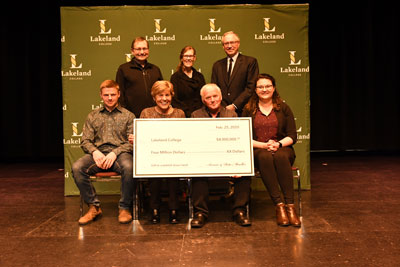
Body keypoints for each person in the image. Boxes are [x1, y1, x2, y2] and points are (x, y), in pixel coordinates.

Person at [72, 79, 135, 225]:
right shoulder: (92, 116)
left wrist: (115, 153)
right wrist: (94, 152)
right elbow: (85, 141)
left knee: (130, 168)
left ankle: (124, 207)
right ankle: (94, 207)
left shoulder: (129, 116)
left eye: (113, 94)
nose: (110, 98)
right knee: (77, 167)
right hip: (98, 155)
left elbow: (131, 143)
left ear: (119, 94)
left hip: (120, 155)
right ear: (101, 95)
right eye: (106, 95)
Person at [242, 73, 301, 227]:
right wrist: (264, 145)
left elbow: (292, 136)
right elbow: (244, 137)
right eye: (260, 87)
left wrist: (278, 144)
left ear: (274, 88)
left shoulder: (283, 108)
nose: (264, 89)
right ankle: (279, 206)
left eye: (268, 86)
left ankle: (291, 207)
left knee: (281, 157)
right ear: (255, 90)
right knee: (264, 157)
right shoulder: (248, 109)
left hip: (282, 147)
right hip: (259, 149)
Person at [190, 83, 252, 228]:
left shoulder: (232, 114)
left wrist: (237, 163)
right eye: (208, 97)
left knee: (243, 171)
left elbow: (238, 142)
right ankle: (200, 213)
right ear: (203, 100)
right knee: (197, 172)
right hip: (204, 157)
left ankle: (239, 211)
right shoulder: (196, 115)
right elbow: (194, 142)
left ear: (221, 96)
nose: (212, 100)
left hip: (228, 156)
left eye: (215, 96)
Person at [139, 80, 186, 224]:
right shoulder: (146, 113)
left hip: (175, 156)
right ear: (154, 97)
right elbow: (143, 139)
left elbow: (184, 138)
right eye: (160, 95)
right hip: (153, 157)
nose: (164, 99)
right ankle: (155, 209)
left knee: (172, 171)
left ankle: (174, 209)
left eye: (167, 95)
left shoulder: (180, 113)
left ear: (172, 96)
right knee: (155, 171)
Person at [211, 31, 259, 116]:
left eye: (232, 42)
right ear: (223, 46)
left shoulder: (250, 62)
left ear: (238, 44)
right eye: (226, 43)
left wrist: (234, 105)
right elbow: (214, 89)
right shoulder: (217, 65)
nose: (229, 46)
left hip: (244, 111)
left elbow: (251, 87)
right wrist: (223, 107)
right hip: (222, 112)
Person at [116, 36, 163, 118]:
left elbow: (162, 92)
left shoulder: (155, 69)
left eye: (144, 48)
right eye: (138, 49)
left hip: (155, 116)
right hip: (131, 116)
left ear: (148, 50)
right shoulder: (124, 69)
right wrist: (125, 114)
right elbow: (120, 95)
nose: (142, 52)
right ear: (132, 51)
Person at [170, 45, 205, 117]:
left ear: (194, 58)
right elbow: (174, 100)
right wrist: (187, 113)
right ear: (181, 58)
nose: (188, 58)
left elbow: (203, 97)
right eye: (186, 56)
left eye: (191, 56)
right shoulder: (175, 77)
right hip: (182, 115)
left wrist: (198, 113)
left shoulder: (200, 77)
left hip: (199, 116)